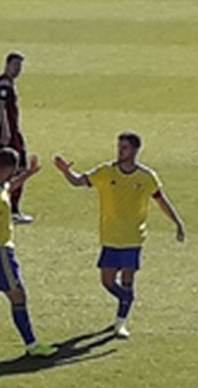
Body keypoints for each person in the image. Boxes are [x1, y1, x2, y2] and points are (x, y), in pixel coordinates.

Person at [52, 131, 187, 338]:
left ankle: (120, 323)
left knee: (127, 278)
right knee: (107, 281)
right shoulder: (106, 171)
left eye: (124, 148)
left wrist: (177, 222)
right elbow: (79, 181)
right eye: (119, 147)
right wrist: (66, 172)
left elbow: (161, 200)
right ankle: (127, 299)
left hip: (133, 237)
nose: (120, 151)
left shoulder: (146, 177)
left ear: (135, 150)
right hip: (110, 237)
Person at [0, 147, 54, 357]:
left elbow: (9, 187)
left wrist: (29, 173)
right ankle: (32, 345)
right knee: (17, 296)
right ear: (7, 168)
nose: (13, 173)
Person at [0, 52, 30, 221]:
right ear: (7, 64)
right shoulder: (4, 83)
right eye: (15, 65)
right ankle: (11, 209)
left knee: (5, 167)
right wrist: (6, 129)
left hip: (7, 130)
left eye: (20, 66)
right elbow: (0, 106)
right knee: (16, 166)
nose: (18, 69)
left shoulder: (5, 82)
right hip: (7, 132)